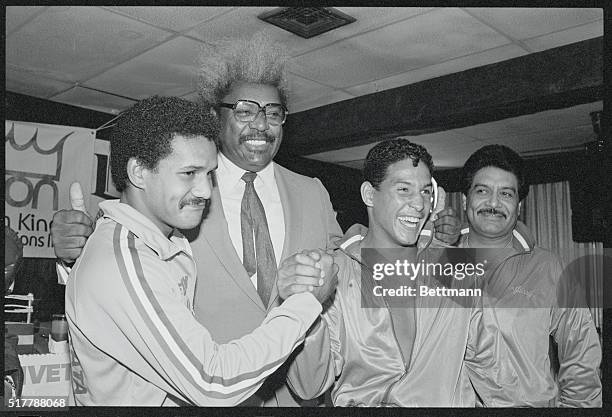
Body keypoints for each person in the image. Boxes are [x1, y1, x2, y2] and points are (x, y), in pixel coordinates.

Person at [50, 32, 461, 406]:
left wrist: (418, 245)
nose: (261, 124)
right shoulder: (177, 204)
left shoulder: (311, 190)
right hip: (209, 390)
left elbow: (346, 262)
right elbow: (132, 270)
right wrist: (74, 255)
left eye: (274, 112)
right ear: (216, 118)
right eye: (245, 110)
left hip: (296, 393)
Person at [65, 95, 337, 406]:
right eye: (189, 173)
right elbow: (214, 383)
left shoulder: (163, 244)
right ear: (139, 172)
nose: (206, 191)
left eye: (209, 174)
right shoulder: (126, 261)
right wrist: (305, 302)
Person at [290, 139, 488, 406]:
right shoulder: (334, 274)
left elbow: (488, 364)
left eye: (427, 192)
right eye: (404, 189)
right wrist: (304, 307)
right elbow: (308, 386)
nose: (419, 204)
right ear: (369, 195)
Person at [457, 144, 602, 407]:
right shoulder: (437, 264)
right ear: (466, 200)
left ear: (519, 205)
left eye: (506, 194)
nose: (493, 203)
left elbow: (582, 352)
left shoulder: (548, 266)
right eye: (482, 191)